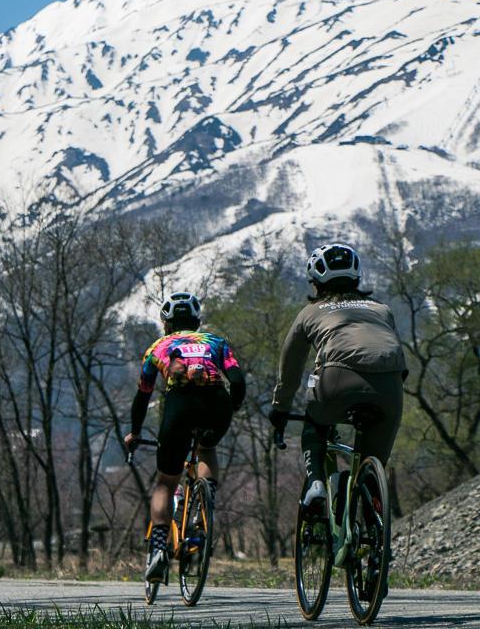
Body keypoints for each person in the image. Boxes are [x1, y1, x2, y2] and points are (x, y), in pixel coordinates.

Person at [268, 243, 406, 551]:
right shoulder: (382, 310)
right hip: (390, 389)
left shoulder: (310, 313)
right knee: (372, 470)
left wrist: (280, 408)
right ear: (357, 278)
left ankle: (316, 482)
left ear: (316, 283)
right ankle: (374, 555)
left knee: (314, 423)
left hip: (336, 381)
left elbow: (289, 368)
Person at [124, 291, 246, 583]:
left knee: (166, 482)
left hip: (180, 406)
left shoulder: (158, 346)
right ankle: (206, 501)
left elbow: (142, 395)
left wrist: (136, 432)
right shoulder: (215, 342)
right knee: (207, 448)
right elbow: (238, 380)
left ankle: (157, 549)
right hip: (218, 403)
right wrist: (233, 407)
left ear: (166, 324)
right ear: (197, 321)